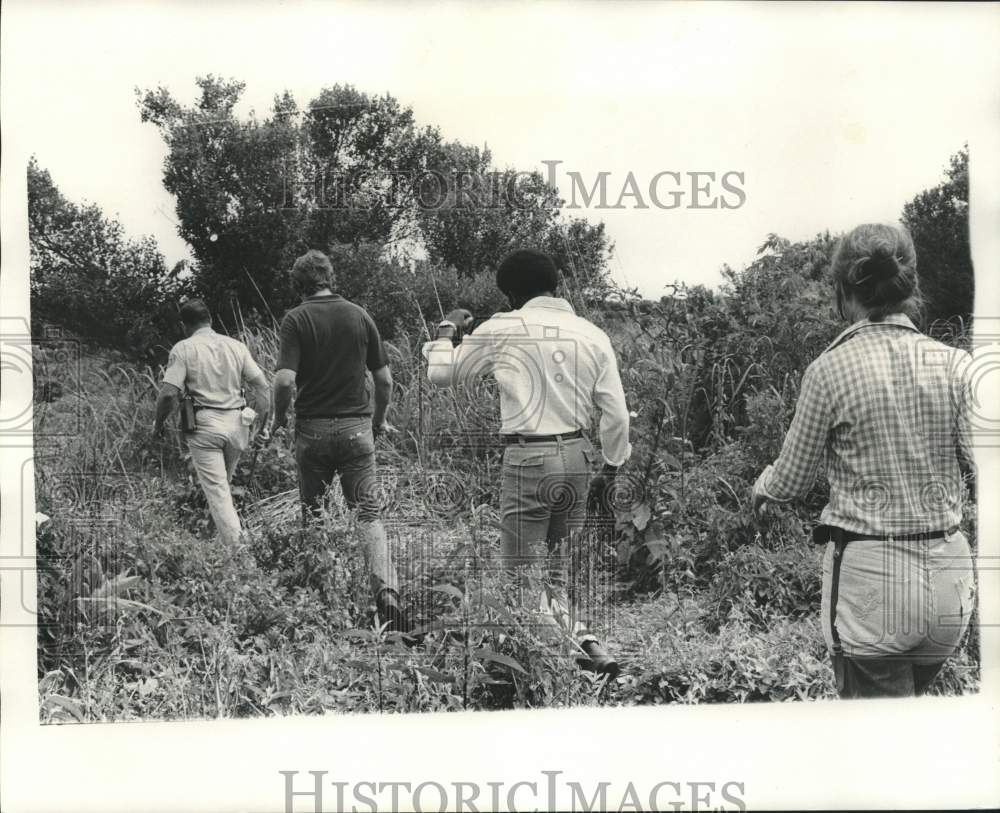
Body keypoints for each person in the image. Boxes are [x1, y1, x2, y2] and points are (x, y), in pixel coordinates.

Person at [751, 222, 976, 699]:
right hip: (949, 589)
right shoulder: (955, 364)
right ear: (908, 285)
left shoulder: (830, 370)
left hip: (875, 586)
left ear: (842, 292)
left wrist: (763, 486)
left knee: (877, 748)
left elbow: (791, 480)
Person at [423, 248, 632, 675]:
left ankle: (565, 663)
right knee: (553, 575)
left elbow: (441, 376)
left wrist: (446, 332)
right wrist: (610, 468)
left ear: (510, 294)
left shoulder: (504, 326)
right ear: (555, 285)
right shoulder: (592, 334)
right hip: (578, 456)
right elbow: (617, 413)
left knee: (521, 580)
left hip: (529, 458)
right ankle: (587, 645)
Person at [269, 249, 409, 633]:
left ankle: (319, 596)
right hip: (357, 431)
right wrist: (379, 421)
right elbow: (384, 380)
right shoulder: (359, 315)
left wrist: (280, 418)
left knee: (312, 514)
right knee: (368, 515)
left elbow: (283, 380)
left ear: (299, 284)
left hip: (312, 432)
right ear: (330, 277)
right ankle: (386, 593)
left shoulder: (296, 319)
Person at [154, 299, 270, 546]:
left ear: (184, 325)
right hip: (238, 425)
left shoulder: (183, 348)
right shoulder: (236, 346)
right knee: (223, 487)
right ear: (211, 320)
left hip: (205, 427)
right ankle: (219, 541)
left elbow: (167, 394)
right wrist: (262, 425)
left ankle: (240, 554)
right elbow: (262, 387)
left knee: (217, 492)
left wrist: (158, 425)